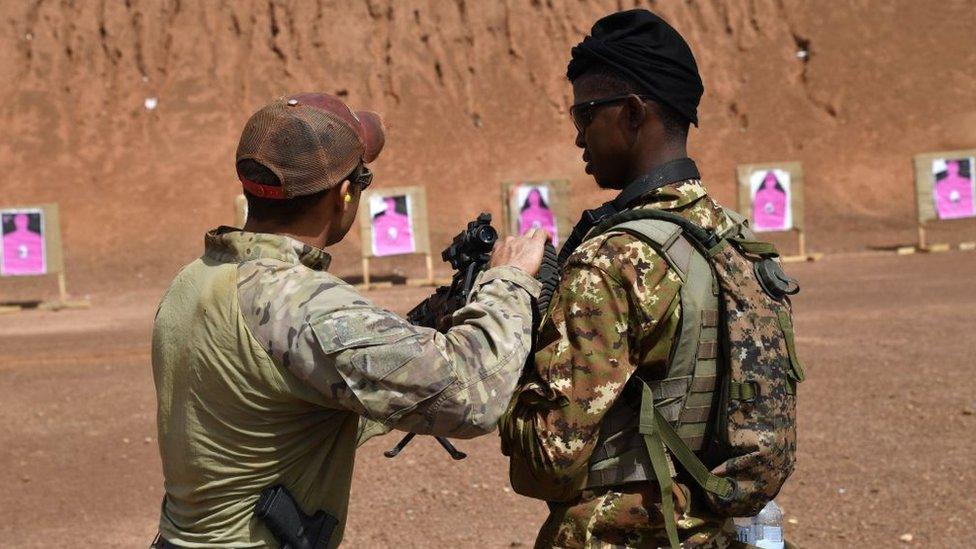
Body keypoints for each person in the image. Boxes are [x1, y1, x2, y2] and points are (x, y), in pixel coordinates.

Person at [151, 92, 549, 548]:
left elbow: (300, 389)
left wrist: (424, 326)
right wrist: (509, 280)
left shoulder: (195, 278)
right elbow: (469, 398)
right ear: (345, 195)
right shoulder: (302, 304)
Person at [501, 10, 743, 548]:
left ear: (633, 115)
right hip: (720, 530)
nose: (577, 136)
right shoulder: (733, 239)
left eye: (585, 115)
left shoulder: (612, 260)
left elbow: (550, 461)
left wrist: (506, 370)